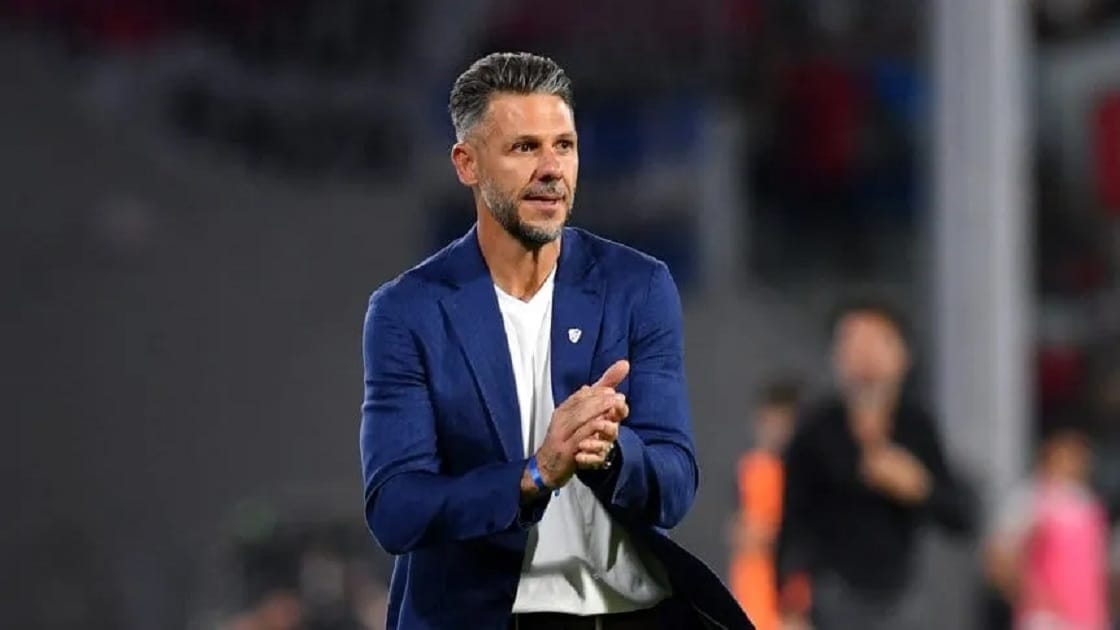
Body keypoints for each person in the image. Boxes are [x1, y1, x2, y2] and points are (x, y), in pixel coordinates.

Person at [358, 52, 751, 630]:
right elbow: (396, 509)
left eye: (563, 146)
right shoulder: (408, 310)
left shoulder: (637, 286)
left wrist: (610, 454)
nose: (551, 169)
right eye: (524, 148)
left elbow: (674, 484)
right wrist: (534, 474)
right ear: (467, 164)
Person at [776, 299, 975, 630]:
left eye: (877, 341)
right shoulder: (816, 429)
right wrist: (789, 605)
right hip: (832, 595)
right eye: (853, 341)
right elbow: (791, 524)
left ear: (903, 355)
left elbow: (960, 515)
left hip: (905, 595)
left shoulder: (916, 427)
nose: (865, 354)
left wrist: (917, 486)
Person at [985, 426, 1109, 630]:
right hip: (1045, 618)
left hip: (1087, 617)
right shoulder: (1030, 498)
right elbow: (998, 557)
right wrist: (1028, 595)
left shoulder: (1088, 503)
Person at [727, 380, 801, 630]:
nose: (775, 431)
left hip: (790, 597)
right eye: (768, 422)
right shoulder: (749, 470)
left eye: (783, 423)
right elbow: (739, 526)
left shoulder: (805, 476)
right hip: (752, 590)